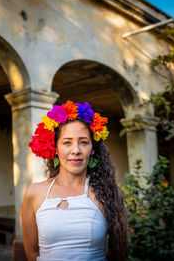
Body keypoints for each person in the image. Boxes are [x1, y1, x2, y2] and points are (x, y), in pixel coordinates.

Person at [21, 100, 128, 261]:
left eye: (83, 142)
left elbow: (119, 253)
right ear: (55, 148)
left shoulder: (108, 194)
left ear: (92, 149)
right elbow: (31, 253)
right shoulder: (34, 194)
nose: (76, 151)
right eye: (67, 142)